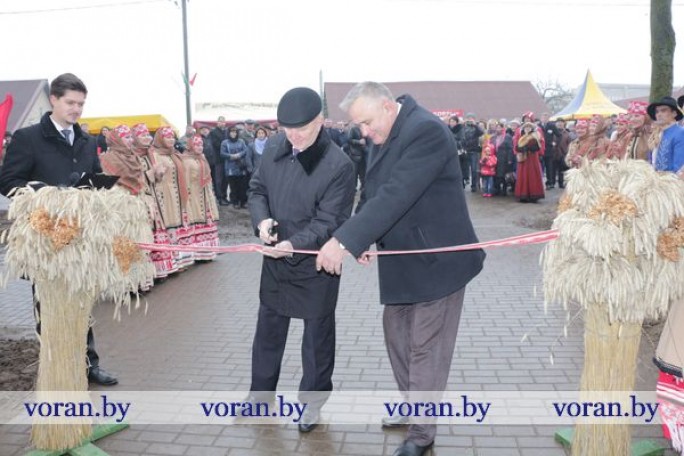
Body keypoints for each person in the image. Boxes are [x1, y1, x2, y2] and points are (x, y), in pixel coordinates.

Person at [316, 82, 485, 456]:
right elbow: (375, 189)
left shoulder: (426, 131)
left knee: (425, 347)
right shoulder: (386, 132)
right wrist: (360, 236)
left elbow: (398, 193)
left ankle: (422, 434)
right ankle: (412, 407)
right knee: (397, 336)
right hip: (403, 261)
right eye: (357, 125)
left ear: (388, 106)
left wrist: (343, 242)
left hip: (437, 262)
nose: (363, 132)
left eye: (365, 122)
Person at [247, 87, 356, 433]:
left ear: (320, 122)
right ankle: (260, 398)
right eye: (286, 129)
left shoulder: (339, 165)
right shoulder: (277, 147)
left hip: (314, 263)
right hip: (276, 259)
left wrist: (294, 244)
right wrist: (261, 220)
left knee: (316, 339)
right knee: (268, 331)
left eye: (302, 130)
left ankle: (312, 404)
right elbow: (257, 189)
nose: (293, 137)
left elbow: (330, 221)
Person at [0, 73, 117, 386]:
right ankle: (56, 369)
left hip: (80, 237)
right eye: (70, 103)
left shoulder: (87, 139)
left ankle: (88, 364)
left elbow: (93, 177)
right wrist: (42, 191)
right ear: (53, 99)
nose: (77, 109)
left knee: (82, 300)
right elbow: (8, 182)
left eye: (81, 104)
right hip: (45, 236)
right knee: (49, 305)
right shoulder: (28, 138)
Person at [647, 96, 684, 174]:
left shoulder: (680, 133)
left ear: (674, 113)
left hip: (672, 183)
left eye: (663, 111)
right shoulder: (658, 134)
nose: (659, 114)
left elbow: (679, 167)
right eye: (657, 111)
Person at [219, 126, 250, 208]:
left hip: (241, 167)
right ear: (229, 133)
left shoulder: (241, 141)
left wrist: (239, 155)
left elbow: (246, 150)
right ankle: (235, 202)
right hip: (230, 168)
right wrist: (231, 156)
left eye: (235, 132)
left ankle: (243, 202)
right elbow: (222, 153)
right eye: (232, 132)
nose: (233, 134)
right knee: (233, 186)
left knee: (242, 186)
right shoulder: (225, 142)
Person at [514, 121, 545, 202]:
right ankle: (523, 195)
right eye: (526, 127)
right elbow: (517, 147)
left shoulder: (535, 136)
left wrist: (527, 148)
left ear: (532, 128)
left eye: (529, 127)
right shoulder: (522, 137)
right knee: (523, 176)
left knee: (532, 176)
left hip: (532, 159)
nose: (527, 129)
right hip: (524, 159)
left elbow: (537, 147)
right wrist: (521, 149)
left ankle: (533, 195)